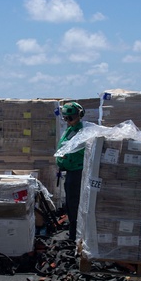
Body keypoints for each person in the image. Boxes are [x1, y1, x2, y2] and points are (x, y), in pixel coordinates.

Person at [56, 102, 85, 240]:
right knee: (69, 204)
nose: (68, 121)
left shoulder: (81, 132)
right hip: (70, 172)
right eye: (66, 118)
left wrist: (66, 157)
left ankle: (75, 234)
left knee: (74, 204)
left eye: (70, 118)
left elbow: (76, 151)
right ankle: (72, 230)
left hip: (77, 172)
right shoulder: (70, 130)